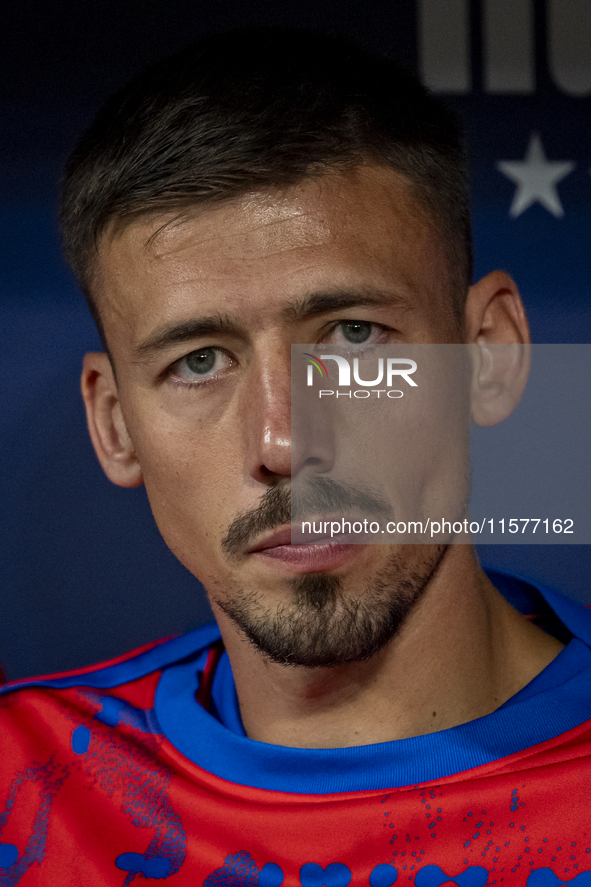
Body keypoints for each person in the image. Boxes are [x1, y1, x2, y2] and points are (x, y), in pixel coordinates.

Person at [0, 27, 589, 885]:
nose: (284, 442)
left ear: (487, 354)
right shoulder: (22, 780)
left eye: (353, 337)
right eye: (198, 361)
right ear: (115, 423)